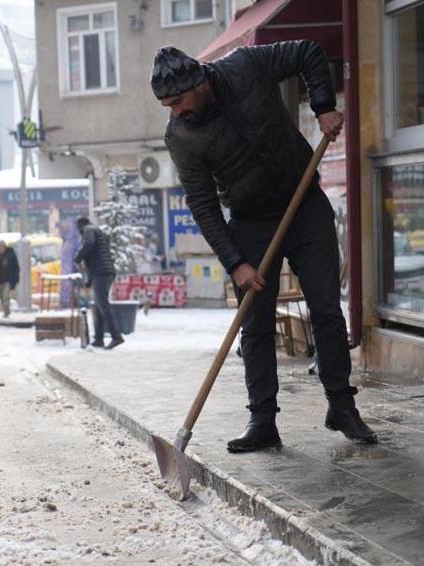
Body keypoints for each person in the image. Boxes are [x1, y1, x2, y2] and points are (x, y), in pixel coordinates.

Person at [153, 41, 376, 453]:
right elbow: (202, 204)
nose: (176, 112)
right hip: (250, 223)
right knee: (254, 324)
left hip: (304, 202)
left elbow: (309, 53)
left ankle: (342, 406)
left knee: (326, 307)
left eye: (179, 101)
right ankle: (262, 420)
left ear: (199, 82)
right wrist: (235, 262)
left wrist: (324, 106)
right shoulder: (182, 136)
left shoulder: (244, 66)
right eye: (168, 105)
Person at [75, 218, 124, 350]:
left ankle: (116, 336)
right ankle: (99, 339)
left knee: (102, 304)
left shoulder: (88, 230)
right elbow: (96, 255)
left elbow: (89, 244)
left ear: (81, 226)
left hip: (102, 273)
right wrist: (89, 280)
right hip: (105, 272)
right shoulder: (98, 231)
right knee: (98, 305)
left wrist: (78, 256)